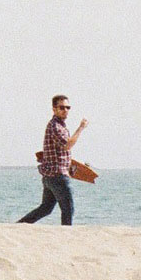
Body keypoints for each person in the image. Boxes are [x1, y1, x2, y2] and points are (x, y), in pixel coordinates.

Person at [17, 94, 88, 225]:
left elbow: (59, 152)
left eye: (68, 107)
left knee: (46, 208)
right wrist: (81, 128)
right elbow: (67, 145)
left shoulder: (59, 126)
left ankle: (19, 225)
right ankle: (66, 233)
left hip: (50, 176)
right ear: (54, 109)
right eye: (62, 107)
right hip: (58, 176)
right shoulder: (55, 126)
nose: (65, 110)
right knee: (68, 209)